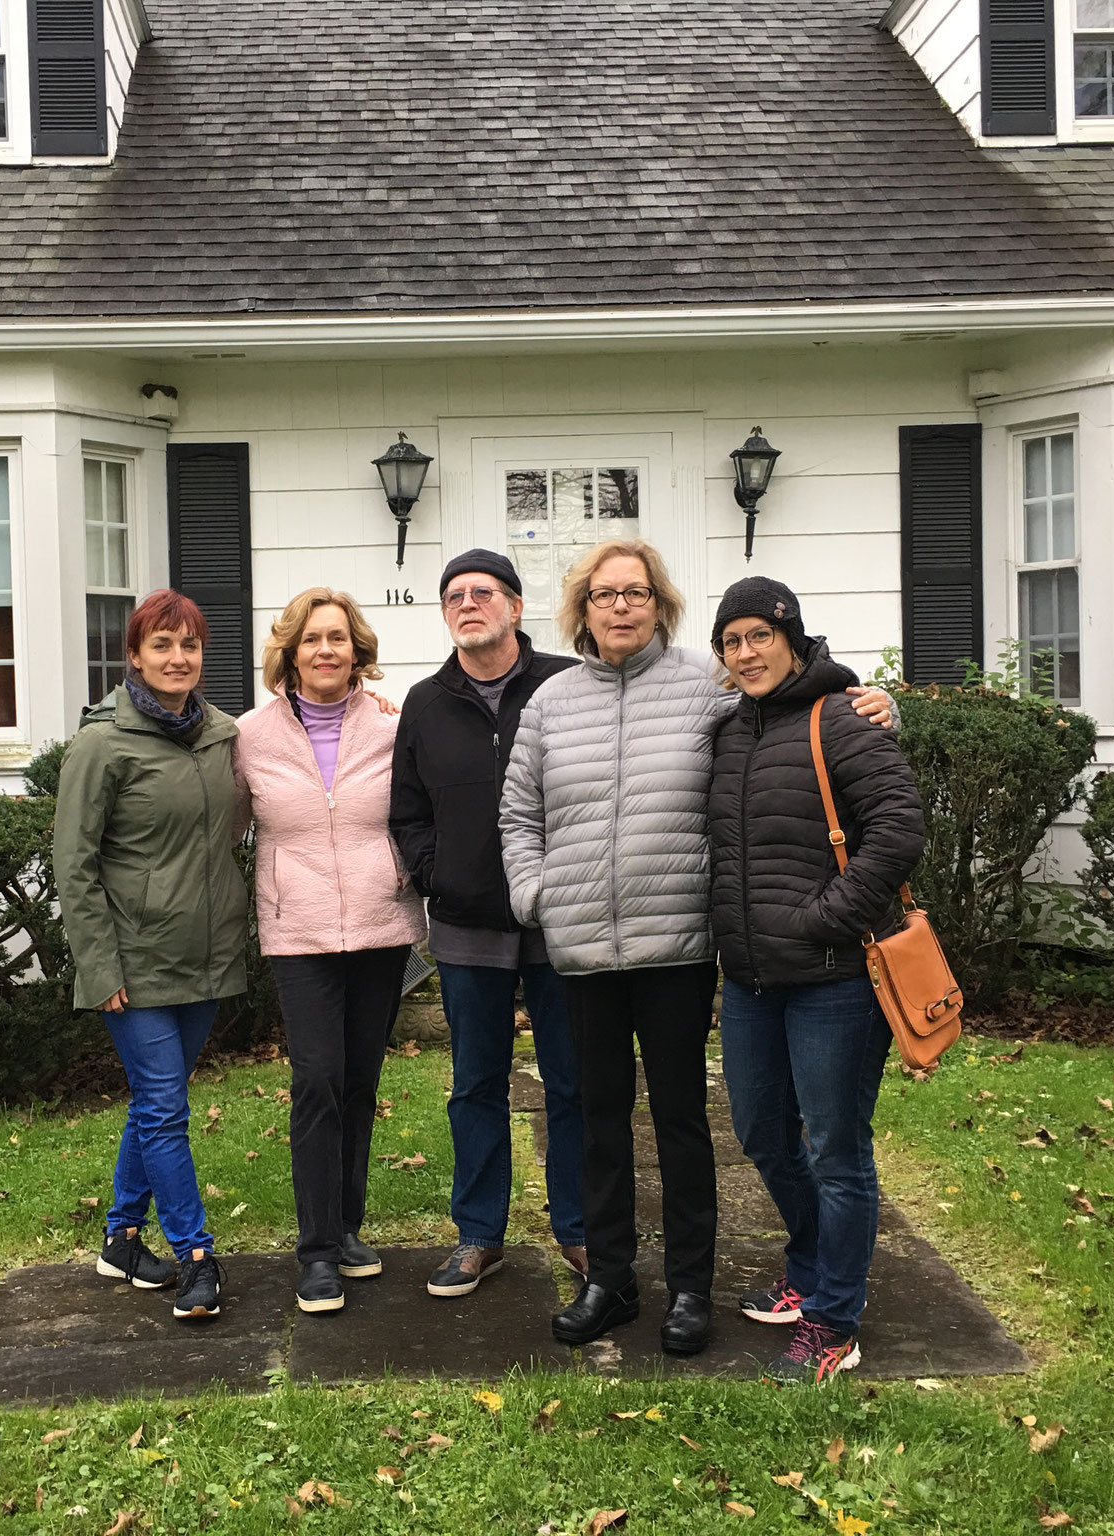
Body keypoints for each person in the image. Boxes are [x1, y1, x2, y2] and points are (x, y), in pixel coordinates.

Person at [499, 542, 891, 1356]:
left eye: (635, 592)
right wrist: (534, 896)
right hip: (581, 952)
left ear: (660, 604)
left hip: (677, 944)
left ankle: (688, 1289)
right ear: (581, 608)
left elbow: (797, 699)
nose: (619, 607)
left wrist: (880, 702)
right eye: (603, 595)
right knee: (598, 1121)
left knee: (682, 1123)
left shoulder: (705, 688)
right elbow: (518, 816)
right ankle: (608, 1280)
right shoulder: (549, 702)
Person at [707, 577, 926, 1383]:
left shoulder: (841, 719)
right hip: (751, 981)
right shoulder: (730, 733)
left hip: (833, 979)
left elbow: (900, 830)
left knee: (837, 1149)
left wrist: (824, 916)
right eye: (731, 642)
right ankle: (810, 1268)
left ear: (792, 637)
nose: (746, 653)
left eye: (759, 635)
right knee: (764, 1133)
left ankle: (835, 1321)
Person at [390, 549, 588, 1301]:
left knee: (572, 1082)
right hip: (468, 930)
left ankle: (577, 1229)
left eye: (483, 593)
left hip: (562, 925)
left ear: (513, 606)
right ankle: (479, 1236)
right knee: (476, 1084)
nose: (468, 605)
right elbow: (406, 808)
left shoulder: (569, 683)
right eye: (454, 597)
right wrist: (438, 872)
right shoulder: (425, 701)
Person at [53, 589, 245, 1323]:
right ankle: (197, 1253)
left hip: (204, 956)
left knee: (155, 1104)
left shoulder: (220, 735)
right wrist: (99, 968)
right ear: (134, 656)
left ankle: (121, 1240)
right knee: (165, 1110)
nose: (177, 659)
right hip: (133, 965)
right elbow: (74, 864)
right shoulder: (102, 743)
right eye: (162, 646)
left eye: (189, 645)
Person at [234, 588, 426, 1314]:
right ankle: (314, 1251)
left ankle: (347, 1228)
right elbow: (220, 828)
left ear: (358, 651)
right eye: (311, 639)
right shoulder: (249, 738)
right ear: (289, 652)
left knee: (358, 1081)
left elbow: (417, 806)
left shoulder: (392, 725)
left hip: (380, 925)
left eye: (338, 639)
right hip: (300, 932)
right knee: (316, 1081)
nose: (325, 650)